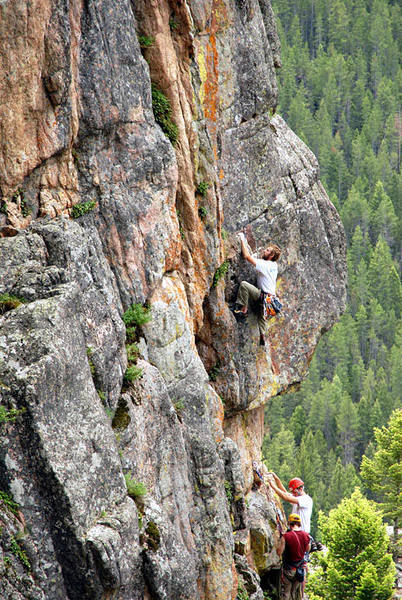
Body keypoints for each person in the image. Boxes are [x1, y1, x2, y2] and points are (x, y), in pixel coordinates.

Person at [235, 232, 282, 346]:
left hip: (263, 296)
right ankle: (262, 334)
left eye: (267, 251)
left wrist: (242, 239)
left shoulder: (265, 265)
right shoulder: (274, 266)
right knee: (262, 316)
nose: (264, 251)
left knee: (244, 285)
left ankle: (243, 308)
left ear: (271, 256)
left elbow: (247, 257)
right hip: (270, 300)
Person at [277, 513, 310, 600]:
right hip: (300, 569)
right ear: (299, 524)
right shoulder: (306, 535)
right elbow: (307, 549)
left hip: (288, 569)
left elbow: (279, 552)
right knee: (295, 593)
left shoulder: (286, 536)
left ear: (290, 524)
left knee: (286, 594)